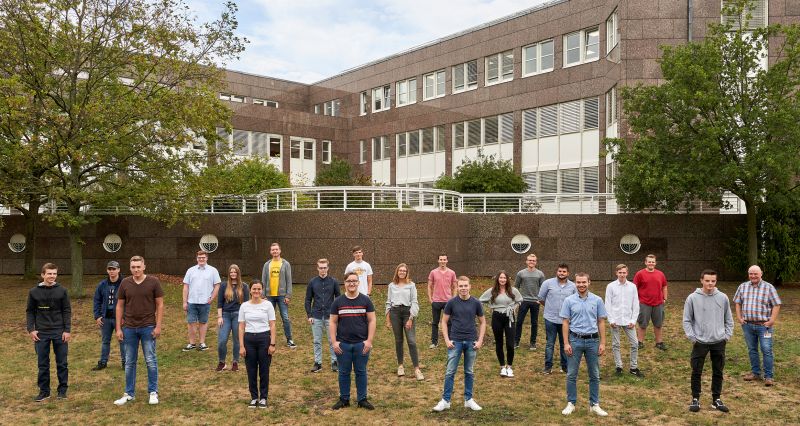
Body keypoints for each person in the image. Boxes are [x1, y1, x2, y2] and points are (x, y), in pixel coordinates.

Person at [114, 256, 165, 406]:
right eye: (133, 267)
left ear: (144, 267)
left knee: (150, 360)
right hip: (129, 328)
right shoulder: (125, 283)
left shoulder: (153, 282)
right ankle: (129, 393)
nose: (136, 269)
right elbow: (119, 306)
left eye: (138, 266)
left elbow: (160, 305)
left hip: (148, 326)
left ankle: (153, 392)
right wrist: (118, 328)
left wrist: (158, 326)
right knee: (129, 361)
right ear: (130, 268)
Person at [432, 276, 486, 412]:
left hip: (471, 342)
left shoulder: (476, 303)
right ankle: (446, 401)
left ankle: (468, 400)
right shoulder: (451, 303)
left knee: (469, 371)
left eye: (465, 286)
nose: (463, 288)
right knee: (450, 372)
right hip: (455, 342)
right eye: (461, 286)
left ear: (469, 286)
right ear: (457, 287)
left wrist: (480, 340)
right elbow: (443, 321)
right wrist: (446, 339)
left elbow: (483, 322)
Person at [683, 269, 733, 413]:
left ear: (715, 281)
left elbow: (729, 319)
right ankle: (695, 399)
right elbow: (687, 320)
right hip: (700, 342)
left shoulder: (723, 297)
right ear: (701, 281)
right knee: (696, 371)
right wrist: (693, 338)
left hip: (719, 341)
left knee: (718, 371)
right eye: (707, 281)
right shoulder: (692, 298)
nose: (710, 283)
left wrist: (726, 336)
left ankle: (716, 399)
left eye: (713, 281)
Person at [560, 273, 608, 417]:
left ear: (589, 282)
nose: (581, 285)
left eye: (584, 282)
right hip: (575, 341)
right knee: (571, 374)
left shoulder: (597, 300)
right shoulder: (569, 301)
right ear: (575, 283)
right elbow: (565, 322)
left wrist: (603, 343)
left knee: (594, 374)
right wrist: (566, 343)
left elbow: (601, 322)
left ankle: (594, 404)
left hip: (593, 341)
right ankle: (571, 403)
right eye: (578, 282)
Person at [330, 272, 377, 410]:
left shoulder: (366, 300)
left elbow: (372, 320)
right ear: (344, 283)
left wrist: (369, 341)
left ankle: (362, 399)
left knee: (361, 372)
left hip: (361, 344)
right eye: (349, 281)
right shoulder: (338, 301)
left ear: (358, 283)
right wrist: (334, 342)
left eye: (354, 281)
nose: (351, 283)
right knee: (343, 372)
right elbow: (332, 322)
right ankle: (344, 399)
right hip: (343, 344)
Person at [26, 263, 71, 402]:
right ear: (43, 275)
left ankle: (62, 390)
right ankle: (44, 391)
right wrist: (31, 329)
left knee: (62, 363)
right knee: (43, 364)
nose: (52, 276)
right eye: (49, 273)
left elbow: (66, 311)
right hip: (41, 334)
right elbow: (30, 312)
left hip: (59, 332)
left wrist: (67, 330)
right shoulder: (33, 292)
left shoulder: (62, 291)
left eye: (54, 274)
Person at [734, 265, 781, 387]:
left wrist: (771, 321)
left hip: (764, 326)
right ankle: (755, 373)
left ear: (761, 274)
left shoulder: (768, 287)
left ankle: (768, 376)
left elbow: (776, 304)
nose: (753, 276)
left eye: (755, 273)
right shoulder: (743, 286)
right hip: (748, 325)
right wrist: (739, 317)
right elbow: (737, 302)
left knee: (766, 350)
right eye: (751, 273)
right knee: (752, 350)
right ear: (748, 274)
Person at [238, 280, 277, 408]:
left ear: (262, 290)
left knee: (264, 370)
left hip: (264, 339)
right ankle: (254, 397)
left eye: (259, 289)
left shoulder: (268, 305)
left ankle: (263, 398)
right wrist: (242, 346)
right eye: (254, 289)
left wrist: (272, 344)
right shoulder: (244, 306)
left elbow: (272, 324)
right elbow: (241, 327)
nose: (256, 291)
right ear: (250, 290)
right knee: (251, 370)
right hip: (249, 339)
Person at [479, 271, 522, 378]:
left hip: (509, 318)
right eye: (500, 278)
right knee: (499, 342)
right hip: (497, 317)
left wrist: (514, 308)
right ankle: (502, 367)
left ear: (507, 279)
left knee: (510, 344)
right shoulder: (492, 291)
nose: (502, 280)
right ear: (498, 279)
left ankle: (509, 367)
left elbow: (520, 300)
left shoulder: (513, 290)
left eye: (504, 278)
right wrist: (490, 307)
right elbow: (481, 300)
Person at [385, 263, 423, 380]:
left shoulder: (411, 285)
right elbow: (388, 302)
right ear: (397, 272)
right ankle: (400, 365)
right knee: (399, 340)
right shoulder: (392, 285)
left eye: (404, 271)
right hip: (395, 313)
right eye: (400, 270)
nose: (402, 272)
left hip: (407, 313)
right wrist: (388, 319)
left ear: (407, 273)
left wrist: (411, 318)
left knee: (411, 341)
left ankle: (416, 368)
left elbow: (414, 302)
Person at [604, 264, 643, 377]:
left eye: (624, 272)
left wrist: (633, 320)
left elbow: (636, 304)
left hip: (628, 321)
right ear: (616, 273)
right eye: (620, 272)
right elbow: (608, 304)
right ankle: (619, 367)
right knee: (616, 344)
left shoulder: (632, 286)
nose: (622, 274)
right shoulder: (610, 286)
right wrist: (611, 320)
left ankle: (633, 367)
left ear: (627, 273)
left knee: (635, 343)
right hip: (615, 321)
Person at [537, 264, 576, 374]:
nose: (561, 273)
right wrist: (549, 307)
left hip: (566, 320)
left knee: (565, 343)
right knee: (550, 343)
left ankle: (565, 367)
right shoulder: (547, 283)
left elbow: (575, 302)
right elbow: (541, 298)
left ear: (568, 273)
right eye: (560, 271)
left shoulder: (573, 286)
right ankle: (548, 367)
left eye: (564, 271)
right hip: (550, 319)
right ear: (556, 272)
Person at [305, 258, 341, 373]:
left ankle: (334, 362)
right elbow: (308, 299)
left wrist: (337, 315)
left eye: (325, 267)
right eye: (321, 268)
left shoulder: (334, 282)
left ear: (328, 268)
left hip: (331, 317)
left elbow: (338, 298)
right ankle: (318, 363)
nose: (323, 270)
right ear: (317, 268)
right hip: (316, 315)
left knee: (332, 340)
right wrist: (309, 315)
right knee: (317, 341)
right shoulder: (312, 282)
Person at [182, 250, 221, 351]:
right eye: (199, 258)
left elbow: (217, 285)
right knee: (191, 322)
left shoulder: (213, 270)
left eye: (203, 257)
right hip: (192, 301)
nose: (201, 259)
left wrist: (212, 298)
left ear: (207, 258)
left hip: (205, 302)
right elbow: (186, 286)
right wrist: (184, 302)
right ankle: (192, 343)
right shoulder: (190, 270)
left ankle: (202, 343)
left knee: (203, 322)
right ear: (197, 258)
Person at [92, 261, 126, 371]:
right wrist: (97, 316)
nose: (112, 271)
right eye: (110, 269)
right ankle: (103, 362)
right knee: (105, 341)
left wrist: (125, 317)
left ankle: (125, 363)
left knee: (122, 340)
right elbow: (97, 300)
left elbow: (130, 301)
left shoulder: (124, 283)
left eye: (114, 269)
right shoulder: (102, 285)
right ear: (107, 270)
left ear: (118, 270)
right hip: (106, 318)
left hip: (120, 318)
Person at [261, 242, 296, 348]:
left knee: (285, 318)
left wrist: (288, 296)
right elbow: (263, 280)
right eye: (273, 250)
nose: (275, 251)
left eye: (276, 249)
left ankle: (289, 339)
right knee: (269, 319)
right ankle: (268, 340)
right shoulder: (267, 264)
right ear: (270, 251)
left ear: (280, 251)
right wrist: (263, 295)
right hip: (269, 296)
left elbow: (289, 281)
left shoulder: (285, 264)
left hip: (282, 295)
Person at [216, 264, 249, 372]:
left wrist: (245, 319)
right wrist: (219, 316)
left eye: (235, 272)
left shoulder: (244, 286)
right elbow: (219, 302)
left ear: (238, 273)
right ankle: (222, 362)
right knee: (222, 340)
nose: (233, 274)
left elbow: (247, 304)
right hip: (225, 315)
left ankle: (235, 362)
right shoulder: (223, 285)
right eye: (231, 272)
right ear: (229, 273)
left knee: (237, 340)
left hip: (238, 316)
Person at [633, 254, 668, 351]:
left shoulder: (660, 274)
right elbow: (634, 288)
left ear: (655, 263)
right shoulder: (639, 274)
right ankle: (639, 342)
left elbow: (664, 286)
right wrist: (636, 300)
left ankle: (659, 343)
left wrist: (664, 298)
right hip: (644, 303)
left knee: (658, 324)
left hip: (658, 303)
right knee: (642, 324)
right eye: (649, 261)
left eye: (653, 262)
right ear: (645, 262)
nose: (651, 263)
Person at [514, 254, 545, 350]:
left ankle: (533, 343)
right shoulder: (521, 273)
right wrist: (518, 299)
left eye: (533, 260)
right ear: (526, 261)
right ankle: (516, 341)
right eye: (530, 260)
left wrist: (540, 300)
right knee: (519, 322)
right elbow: (516, 287)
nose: (531, 262)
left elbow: (543, 288)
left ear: (536, 262)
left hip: (535, 302)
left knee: (534, 323)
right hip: (523, 301)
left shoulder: (540, 274)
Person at [427, 253, 457, 349]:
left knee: (449, 322)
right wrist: (430, 298)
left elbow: (455, 286)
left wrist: (454, 298)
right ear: (438, 260)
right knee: (435, 322)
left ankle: (450, 341)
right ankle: (434, 342)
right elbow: (429, 286)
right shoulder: (433, 272)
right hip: (436, 301)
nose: (442, 261)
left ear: (447, 261)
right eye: (441, 259)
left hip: (448, 301)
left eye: (444, 259)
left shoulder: (452, 272)